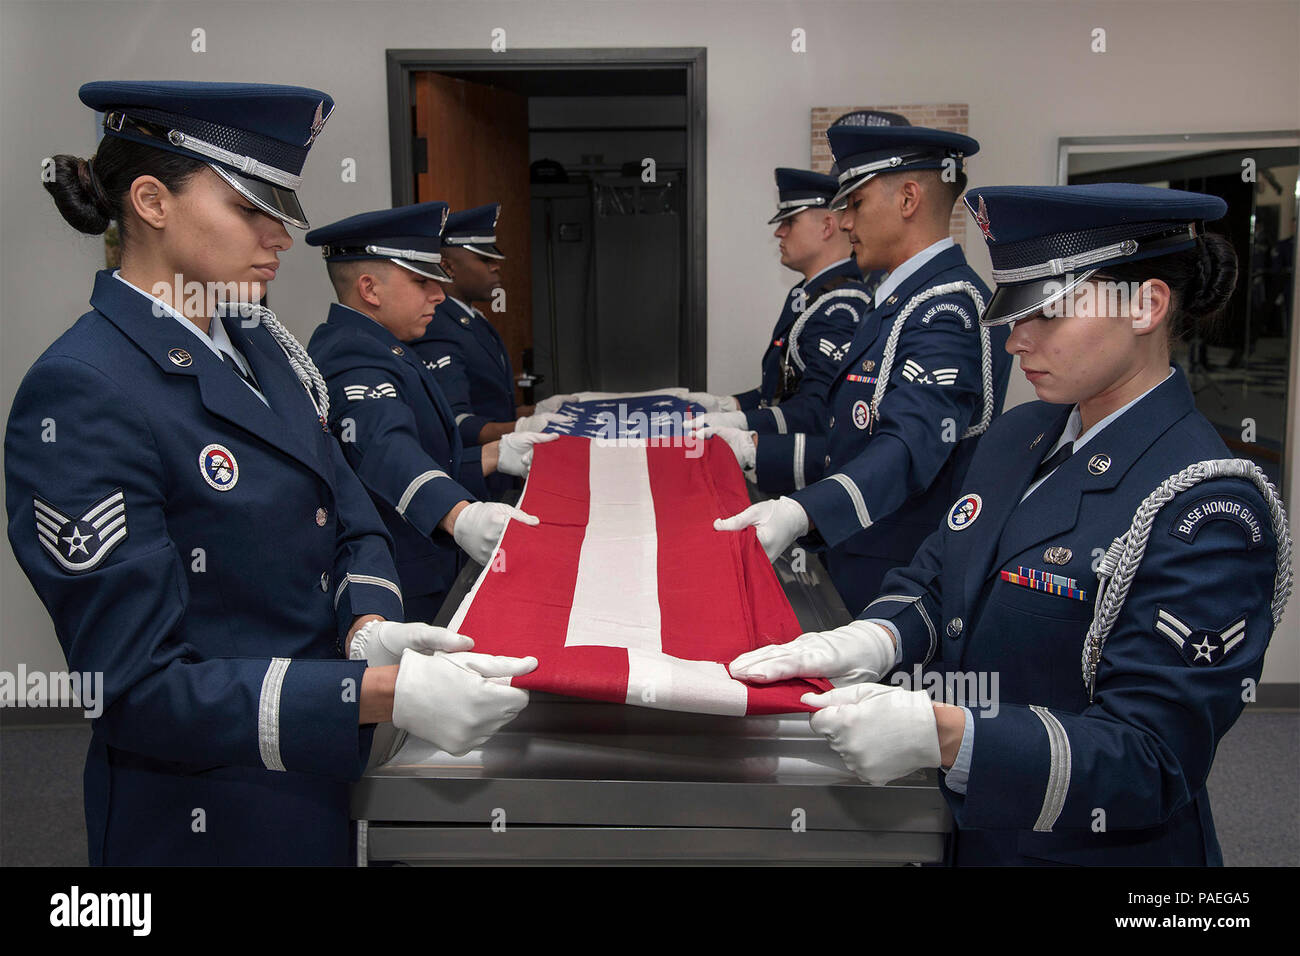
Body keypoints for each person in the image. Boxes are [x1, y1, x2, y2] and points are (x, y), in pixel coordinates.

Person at [5, 81, 535, 865]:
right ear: (152, 201)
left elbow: (347, 507)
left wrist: (366, 627)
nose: (279, 238)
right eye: (250, 209)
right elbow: (134, 687)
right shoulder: (86, 388)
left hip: (316, 757)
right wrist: (379, 693)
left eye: (277, 212)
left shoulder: (258, 344)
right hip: (208, 804)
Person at [731, 183, 1292, 865]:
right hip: (980, 832)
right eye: (1014, 311)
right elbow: (941, 576)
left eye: (1048, 313)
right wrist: (872, 638)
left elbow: (1152, 762)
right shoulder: (1020, 434)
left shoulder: (1205, 505)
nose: (1016, 338)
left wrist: (949, 736)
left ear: (1146, 305)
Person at [707, 124, 1013, 614]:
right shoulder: (901, 297)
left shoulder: (945, 307)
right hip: (856, 552)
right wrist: (754, 449)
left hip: (899, 576)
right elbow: (853, 434)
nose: (844, 222)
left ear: (908, 198)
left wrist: (804, 509)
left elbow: (909, 448)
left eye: (855, 204)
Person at [305, 202, 556, 623]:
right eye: (422, 281)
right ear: (370, 289)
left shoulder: (385, 343)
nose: (439, 294)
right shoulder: (351, 353)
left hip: (428, 560)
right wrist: (459, 514)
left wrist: (494, 453)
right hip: (404, 574)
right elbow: (384, 449)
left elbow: (426, 451)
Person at [687, 167, 881, 435]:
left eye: (790, 222)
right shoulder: (811, 294)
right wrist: (729, 405)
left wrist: (744, 424)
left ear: (826, 227)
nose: (779, 232)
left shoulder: (841, 307)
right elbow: (785, 386)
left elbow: (818, 409)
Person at [408, 203, 563, 499]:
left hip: (498, 475)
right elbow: (455, 422)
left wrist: (535, 412)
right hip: (471, 481)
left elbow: (486, 402)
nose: (495, 266)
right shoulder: (437, 326)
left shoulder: (469, 319)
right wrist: (521, 425)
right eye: (483, 258)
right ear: (448, 265)